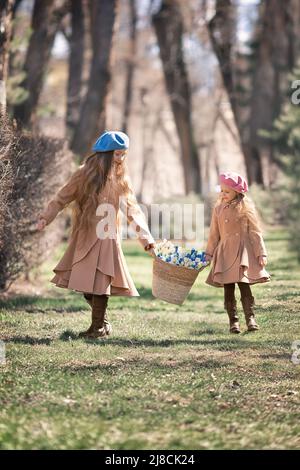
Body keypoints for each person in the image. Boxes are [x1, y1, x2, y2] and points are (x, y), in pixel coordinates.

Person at [37, 130, 155, 339]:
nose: (121, 159)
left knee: (100, 282)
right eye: (117, 154)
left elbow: (133, 210)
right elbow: (61, 198)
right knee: (84, 284)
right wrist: (46, 217)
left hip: (107, 237)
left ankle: (98, 327)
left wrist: (147, 240)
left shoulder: (121, 179)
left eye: (123, 154)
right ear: (105, 154)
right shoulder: (83, 174)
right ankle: (103, 322)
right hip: (85, 236)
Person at [205, 172, 270, 333]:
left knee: (244, 285)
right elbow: (214, 234)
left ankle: (250, 318)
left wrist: (261, 253)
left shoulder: (246, 207)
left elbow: (255, 232)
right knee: (228, 288)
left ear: (237, 192)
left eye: (227, 191)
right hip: (225, 253)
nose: (222, 194)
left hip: (243, 253)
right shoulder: (218, 209)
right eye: (221, 191)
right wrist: (209, 253)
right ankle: (233, 322)